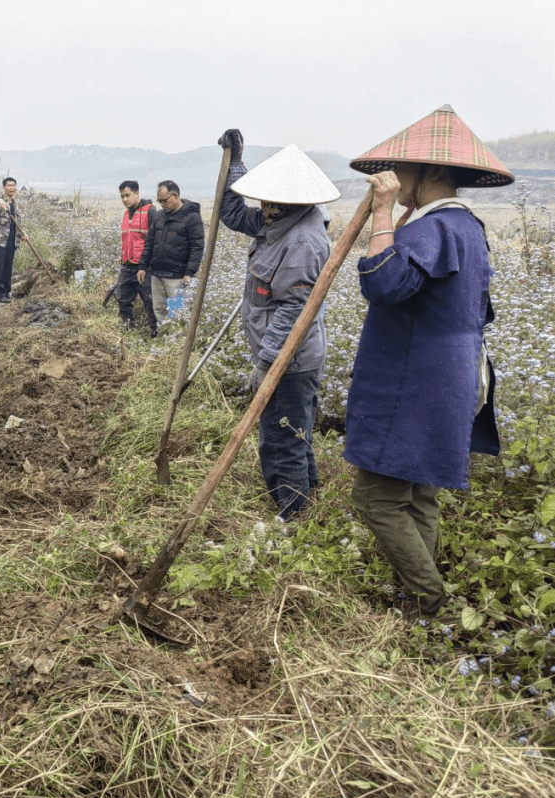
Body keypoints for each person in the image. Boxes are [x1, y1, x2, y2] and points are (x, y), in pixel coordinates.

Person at [345, 105, 511, 623]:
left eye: (406, 169)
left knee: (376, 497)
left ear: (434, 171)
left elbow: (384, 284)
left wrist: (383, 215)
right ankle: (417, 600)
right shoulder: (469, 228)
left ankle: (431, 602)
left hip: (415, 380)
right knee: (417, 493)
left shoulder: (432, 229)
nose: (397, 179)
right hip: (452, 375)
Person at [218, 133, 338, 519]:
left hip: (291, 360)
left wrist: (266, 364)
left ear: (293, 201)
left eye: (271, 201)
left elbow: (293, 310)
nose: (264, 208)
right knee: (296, 432)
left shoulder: (303, 239)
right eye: (263, 200)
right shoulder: (279, 221)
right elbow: (233, 215)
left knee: (281, 438)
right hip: (286, 357)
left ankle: (292, 515)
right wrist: (235, 161)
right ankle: (308, 502)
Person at [137, 180, 204, 327]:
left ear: (175, 196)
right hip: (157, 275)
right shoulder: (160, 216)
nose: (162, 204)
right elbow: (149, 243)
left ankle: (176, 342)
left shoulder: (192, 217)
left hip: (176, 278)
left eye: (164, 201)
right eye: (160, 201)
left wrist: (189, 272)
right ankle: (164, 338)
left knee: (176, 312)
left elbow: (197, 247)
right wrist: (143, 266)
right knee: (159, 309)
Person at [116, 180, 158, 336]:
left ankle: (155, 333)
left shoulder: (150, 211)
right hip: (127, 265)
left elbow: (156, 239)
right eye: (122, 197)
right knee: (122, 299)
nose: (125, 200)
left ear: (136, 194)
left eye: (127, 195)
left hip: (144, 267)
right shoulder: (126, 214)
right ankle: (129, 330)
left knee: (150, 300)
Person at [0, 176, 27, 303]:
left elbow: (17, 222)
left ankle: (7, 292)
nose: (11, 188)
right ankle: (0, 294)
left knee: (8, 267)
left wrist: (23, 233)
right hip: (0, 241)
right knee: (0, 267)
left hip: (12, 240)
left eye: (13, 186)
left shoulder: (14, 203)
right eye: (9, 186)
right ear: (4, 188)